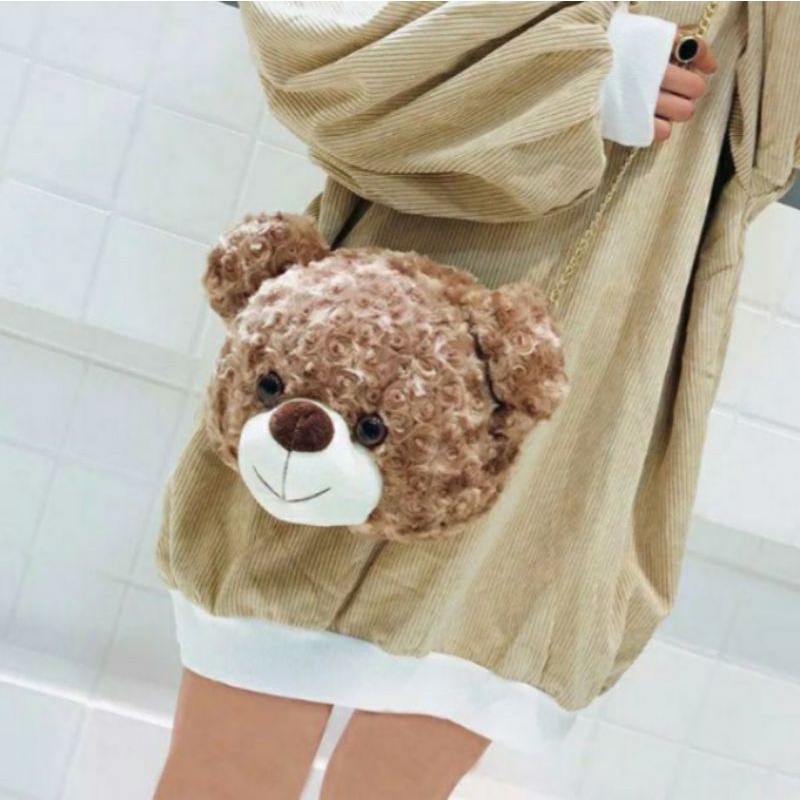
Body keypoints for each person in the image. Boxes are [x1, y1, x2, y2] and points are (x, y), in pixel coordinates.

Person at [155, 3, 800, 799]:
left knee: (397, 772)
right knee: (238, 760)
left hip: (599, 386)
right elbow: (320, 35)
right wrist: (571, 70)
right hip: (407, 313)